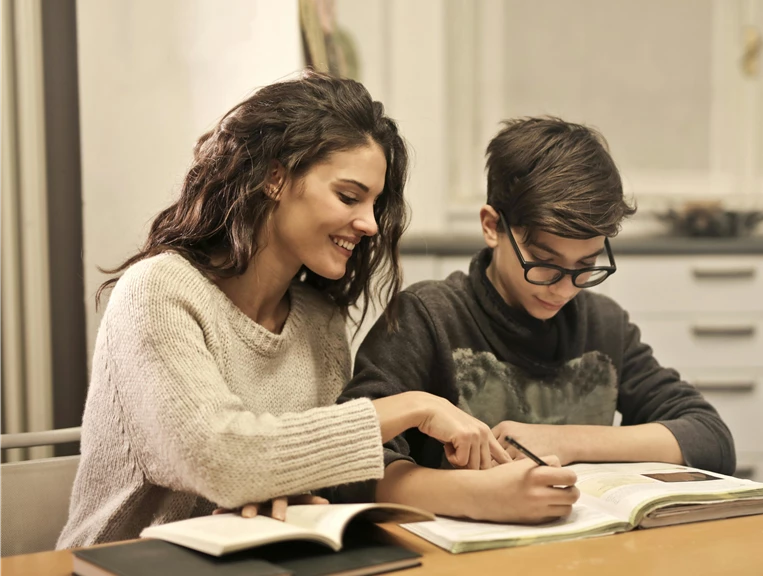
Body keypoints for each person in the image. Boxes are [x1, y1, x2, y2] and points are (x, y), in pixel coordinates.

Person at [58, 70, 509, 549]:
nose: (370, 224)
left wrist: (286, 495)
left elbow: (293, 477)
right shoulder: (157, 293)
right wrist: (413, 406)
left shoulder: (319, 321)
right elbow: (223, 459)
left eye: (375, 204)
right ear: (275, 176)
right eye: (350, 196)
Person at [338, 117, 736, 524]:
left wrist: (563, 440)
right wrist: (475, 495)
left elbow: (710, 437)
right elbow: (344, 464)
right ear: (492, 226)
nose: (564, 290)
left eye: (586, 265)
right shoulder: (426, 317)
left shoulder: (604, 324)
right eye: (544, 264)